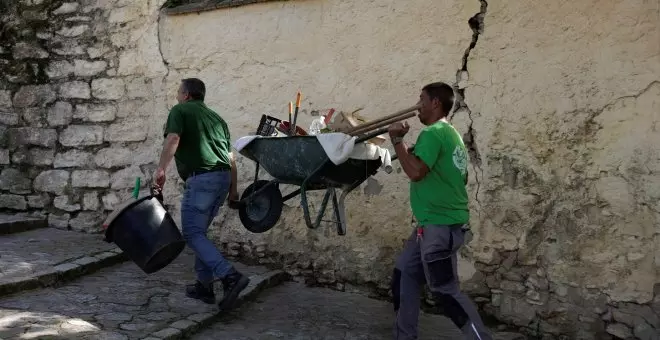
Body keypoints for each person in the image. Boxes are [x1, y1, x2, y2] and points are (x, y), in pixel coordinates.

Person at [388, 82, 491, 340]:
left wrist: (397, 140)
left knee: (445, 292)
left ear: (435, 103)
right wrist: (409, 152)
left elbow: (415, 172)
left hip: (438, 227)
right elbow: (461, 177)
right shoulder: (452, 135)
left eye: (421, 99)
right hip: (436, 225)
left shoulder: (433, 133)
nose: (417, 105)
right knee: (403, 275)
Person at [153, 78, 249, 312]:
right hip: (222, 178)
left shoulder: (180, 110)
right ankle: (204, 286)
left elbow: (173, 138)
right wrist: (233, 190)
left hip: (202, 179)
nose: (177, 96)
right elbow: (231, 158)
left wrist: (161, 169)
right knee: (200, 233)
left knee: (193, 233)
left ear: (186, 95)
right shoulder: (218, 119)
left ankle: (230, 276)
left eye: (178, 92)